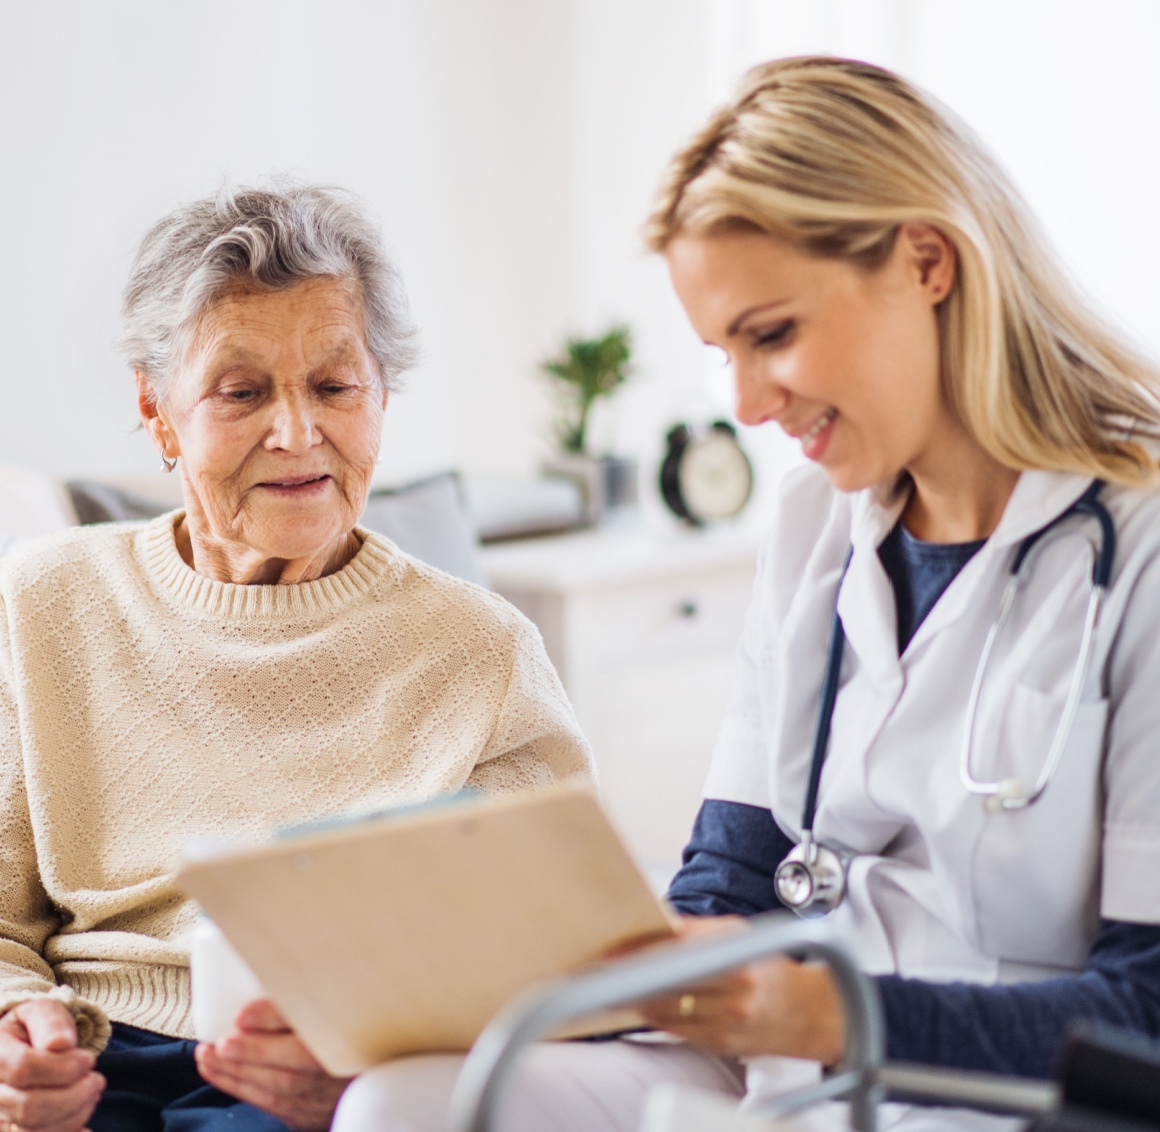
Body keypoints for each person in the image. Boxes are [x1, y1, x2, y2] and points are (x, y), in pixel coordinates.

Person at [334, 56, 1160, 1132]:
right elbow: (728, 879)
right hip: (790, 1071)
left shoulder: (1134, 549)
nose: (745, 401)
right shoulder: (812, 527)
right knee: (405, 1099)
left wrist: (835, 1015)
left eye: (770, 334)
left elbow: (1142, 1012)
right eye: (723, 351)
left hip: (1000, 1094)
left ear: (925, 261)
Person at [0, 183, 593, 1132]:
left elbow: (555, 962)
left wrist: (375, 1063)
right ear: (157, 412)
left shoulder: (481, 653)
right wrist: (12, 1033)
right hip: (85, 1048)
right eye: (241, 392)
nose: (296, 433)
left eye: (334, 385)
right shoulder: (41, 601)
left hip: (326, 1076)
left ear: (382, 397)